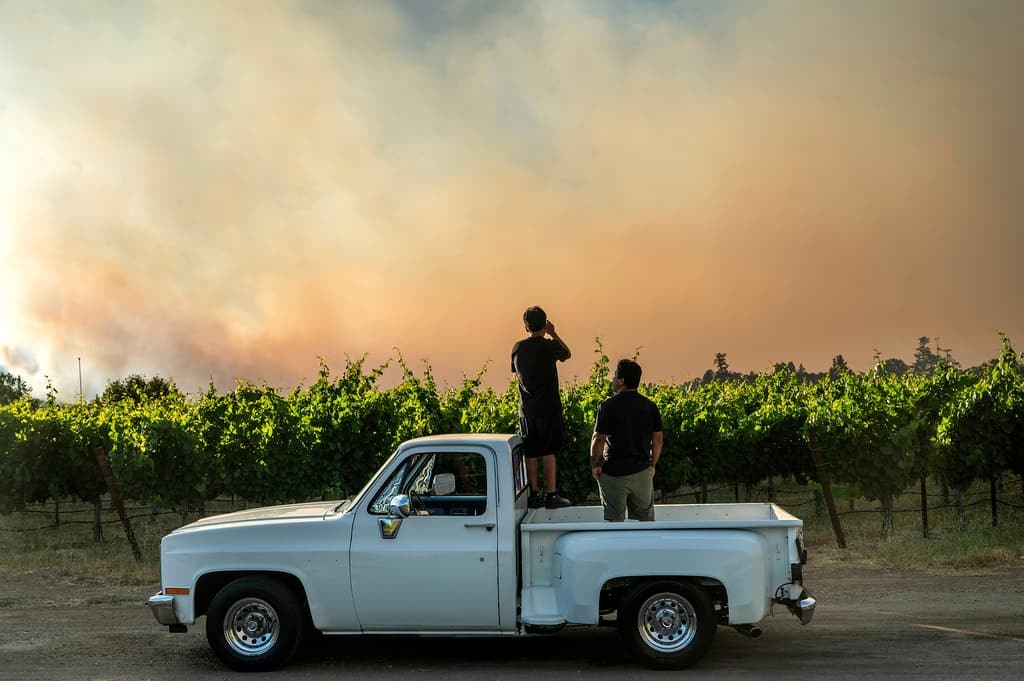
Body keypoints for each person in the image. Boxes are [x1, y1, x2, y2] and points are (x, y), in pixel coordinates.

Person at [511, 306, 572, 509]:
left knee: (531, 452)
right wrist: (553, 333)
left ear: (525, 325)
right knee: (548, 451)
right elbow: (566, 353)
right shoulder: (548, 346)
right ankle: (552, 495)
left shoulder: (517, 348)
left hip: (526, 410)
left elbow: (515, 371)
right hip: (549, 408)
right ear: (544, 324)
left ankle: (534, 494)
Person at [590, 359, 663, 521]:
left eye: (615, 375)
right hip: (642, 473)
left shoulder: (607, 406)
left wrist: (595, 464)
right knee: (645, 523)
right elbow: (657, 441)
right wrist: (652, 465)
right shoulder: (650, 406)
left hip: (614, 473)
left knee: (614, 523)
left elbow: (599, 439)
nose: (613, 378)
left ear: (622, 381)